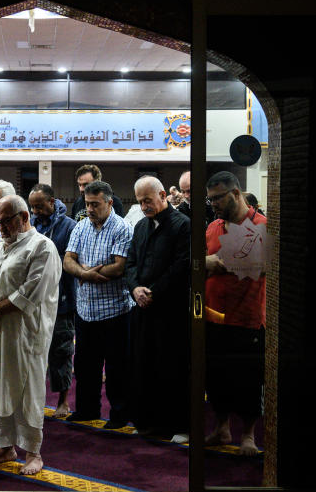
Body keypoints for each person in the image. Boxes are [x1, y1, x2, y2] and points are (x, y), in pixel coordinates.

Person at [0, 195, 62, 475]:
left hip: (25, 334)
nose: (1, 227)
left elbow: (32, 291)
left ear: (23, 217)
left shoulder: (42, 248)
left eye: (6, 221)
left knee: (26, 390)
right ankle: (5, 446)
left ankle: (34, 453)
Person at [204, 171, 267, 456]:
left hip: (248, 318)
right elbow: (201, 261)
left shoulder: (262, 226)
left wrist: (223, 264)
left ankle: (249, 435)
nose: (214, 204)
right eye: (211, 199)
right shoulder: (213, 227)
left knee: (247, 380)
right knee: (216, 377)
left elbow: (264, 268)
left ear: (236, 194)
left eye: (218, 198)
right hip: (214, 316)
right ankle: (221, 428)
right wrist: (205, 261)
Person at [124, 176, 192, 442]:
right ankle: (148, 422)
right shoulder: (140, 226)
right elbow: (131, 262)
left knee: (171, 368)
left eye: (148, 201)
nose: (143, 207)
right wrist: (135, 289)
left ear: (163, 195)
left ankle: (179, 425)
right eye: (140, 202)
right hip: (142, 308)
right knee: (144, 366)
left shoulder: (182, 225)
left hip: (169, 311)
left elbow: (181, 265)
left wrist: (152, 290)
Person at [63, 180, 135, 428]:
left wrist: (88, 272)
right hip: (85, 310)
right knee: (85, 366)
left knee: (117, 368)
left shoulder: (122, 228)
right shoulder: (81, 226)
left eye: (95, 204)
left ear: (109, 202)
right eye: (87, 204)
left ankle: (119, 414)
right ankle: (86, 409)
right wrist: (85, 275)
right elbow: (68, 260)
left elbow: (119, 266)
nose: (90, 209)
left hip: (115, 309)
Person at [28, 183, 77, 418]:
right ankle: (34, 399)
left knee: (61, 350)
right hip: (33, 299)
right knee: (33, 351)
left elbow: (71, 261)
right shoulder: (32, 225)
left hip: (62, 298)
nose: (35, 211)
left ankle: (63, 401)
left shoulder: (69, 227)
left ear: (52, 201)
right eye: (32, 207)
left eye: (39, 206)